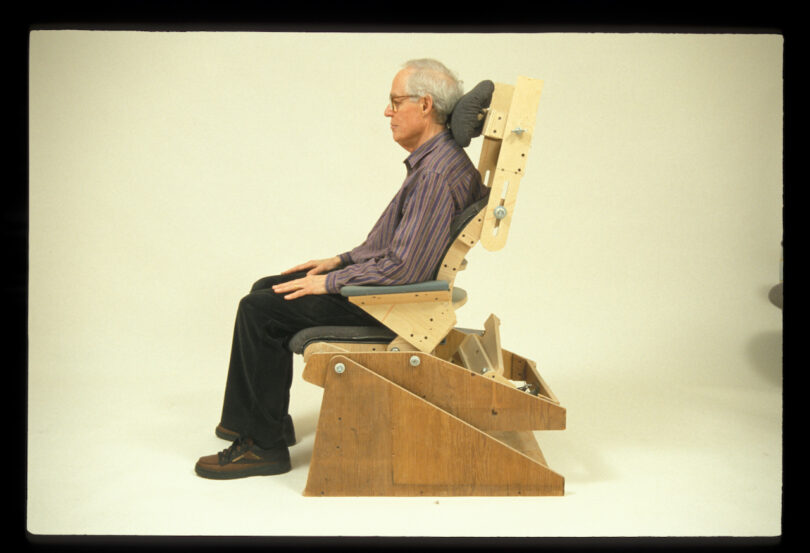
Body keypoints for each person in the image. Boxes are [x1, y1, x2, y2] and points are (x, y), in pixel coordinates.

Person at [195, 58, 490, 480]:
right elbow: (395, 246)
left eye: (394, 102)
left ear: (425, 105)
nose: (387, 112)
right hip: (389, 290)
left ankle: (263, 447)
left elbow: (404, 270)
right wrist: (340, 261)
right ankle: (262, 422)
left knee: (259, 309)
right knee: (266, 287)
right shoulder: (437, 161)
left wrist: (329, 283)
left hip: (392, 304)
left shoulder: (436, 175)